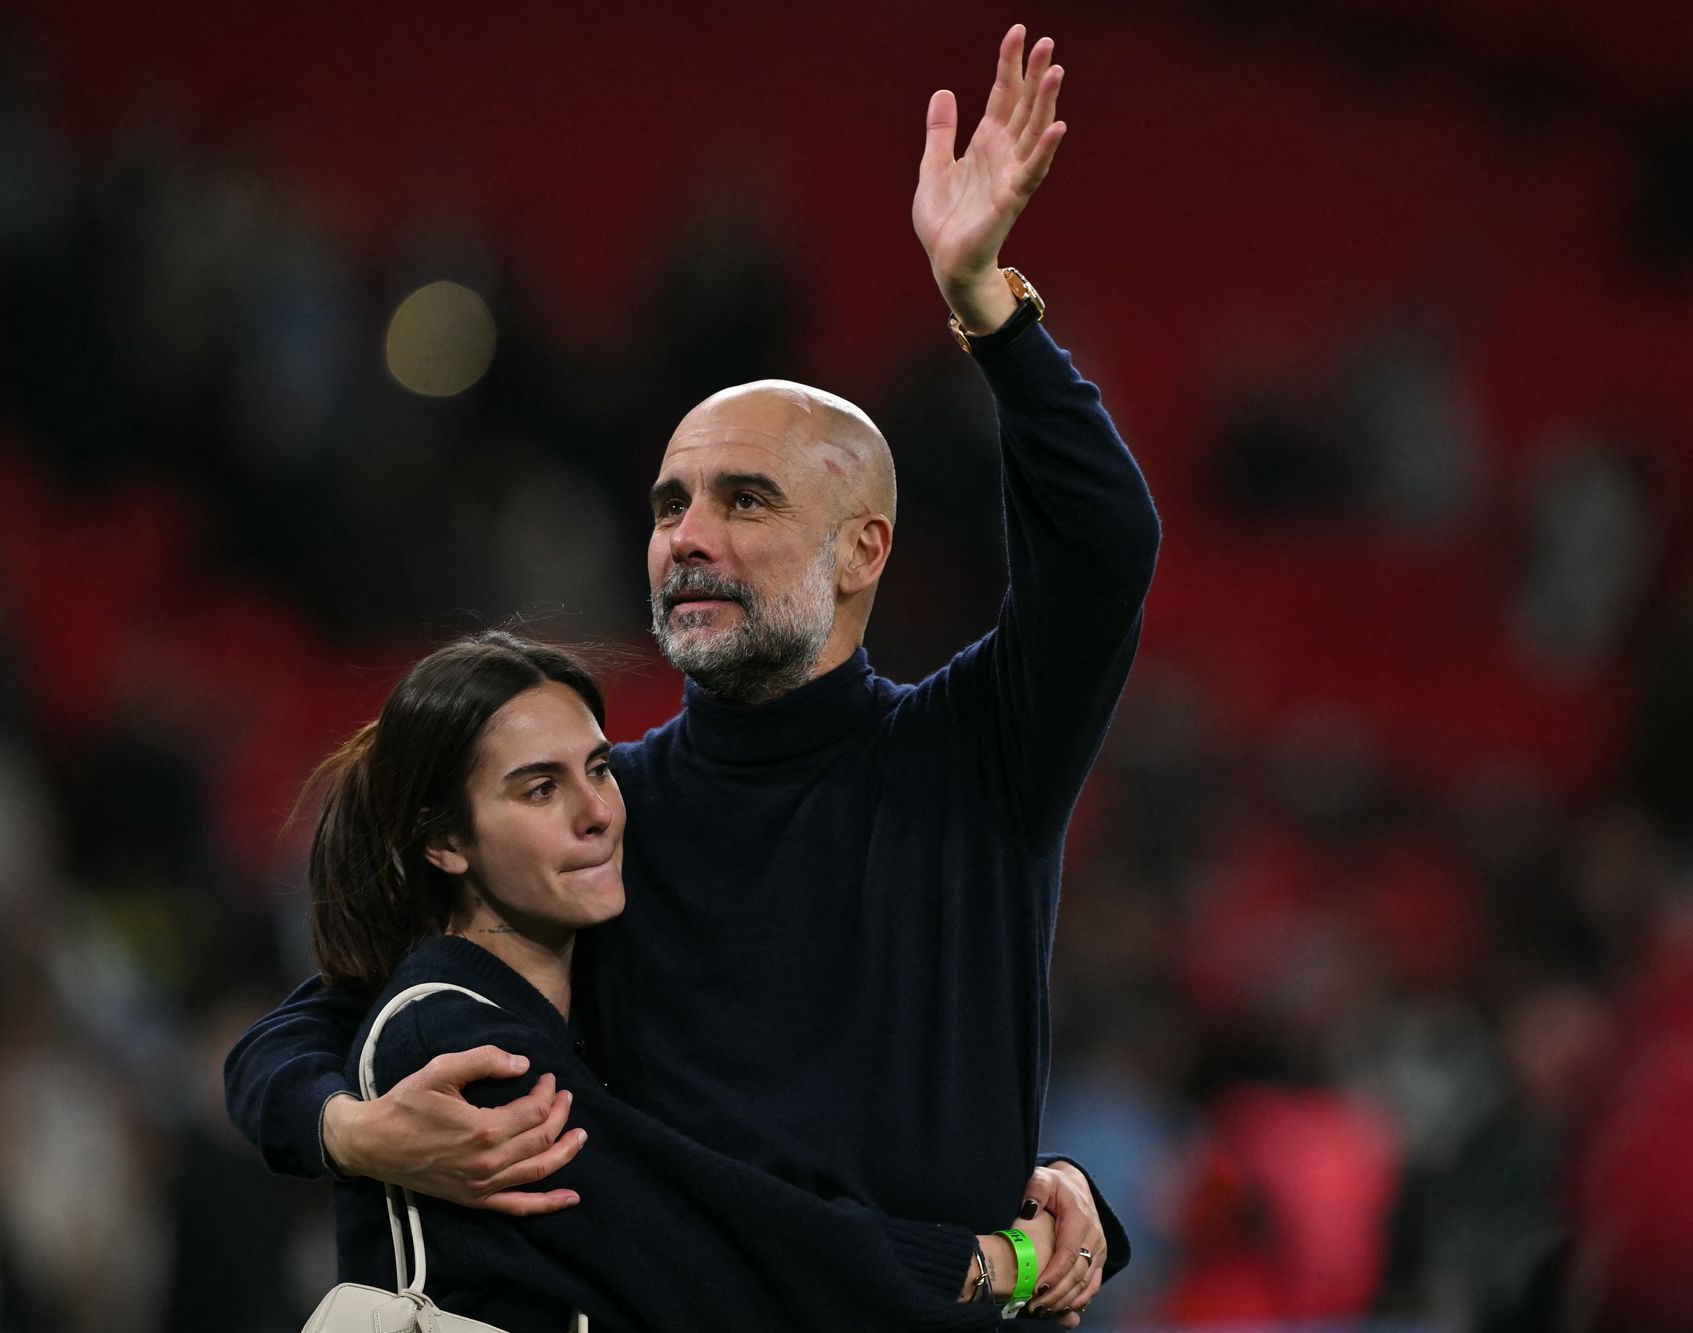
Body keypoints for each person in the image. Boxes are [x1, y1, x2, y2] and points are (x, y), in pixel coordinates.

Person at [228, 24, 1158, 1322]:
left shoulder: (976, 756)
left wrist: (983, 302)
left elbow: (1108, 543)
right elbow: (314, 1024)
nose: (688, 537)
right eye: (670, 504)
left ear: (861, 550)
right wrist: (344, 1129)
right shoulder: (604, 819)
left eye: (745, 499)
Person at [306, 630, 1051, 1329]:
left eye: (599, 768)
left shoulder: (580, 1000)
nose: (596, 811)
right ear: (444, 841)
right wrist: (987, 1264)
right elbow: (715, 1253)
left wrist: (1052, 1180)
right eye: (539, 789)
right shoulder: (450, 1040)